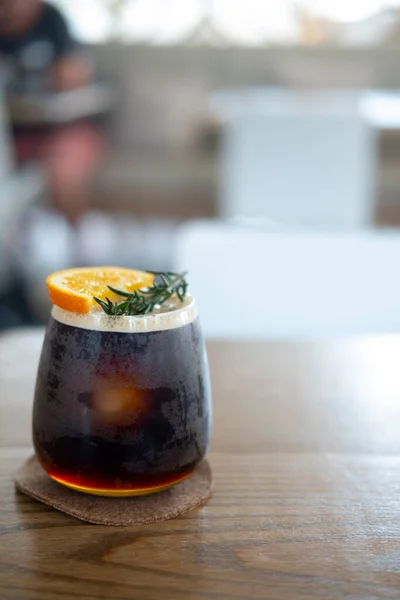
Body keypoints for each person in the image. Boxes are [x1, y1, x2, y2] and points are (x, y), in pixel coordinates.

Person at [0, 0, 105, 223]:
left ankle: (78, 244)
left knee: (66, 170)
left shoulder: (52, 21)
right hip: (12, 134)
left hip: (59, 130)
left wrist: (65, 74)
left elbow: (75, 75)